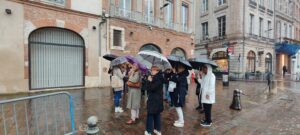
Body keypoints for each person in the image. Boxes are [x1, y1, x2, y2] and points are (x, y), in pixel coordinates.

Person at [145, 65, 164, 135]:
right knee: (157, 114)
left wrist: (149, 81)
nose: (151, 71)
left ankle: (149, 131)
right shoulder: (158, 77)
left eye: (152, 70)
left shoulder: (158, 78)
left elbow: (151, 88)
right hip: (157, 99)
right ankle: (157, 129)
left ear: (157, 71)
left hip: (154, 99)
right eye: (151, 70)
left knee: (150, 114)